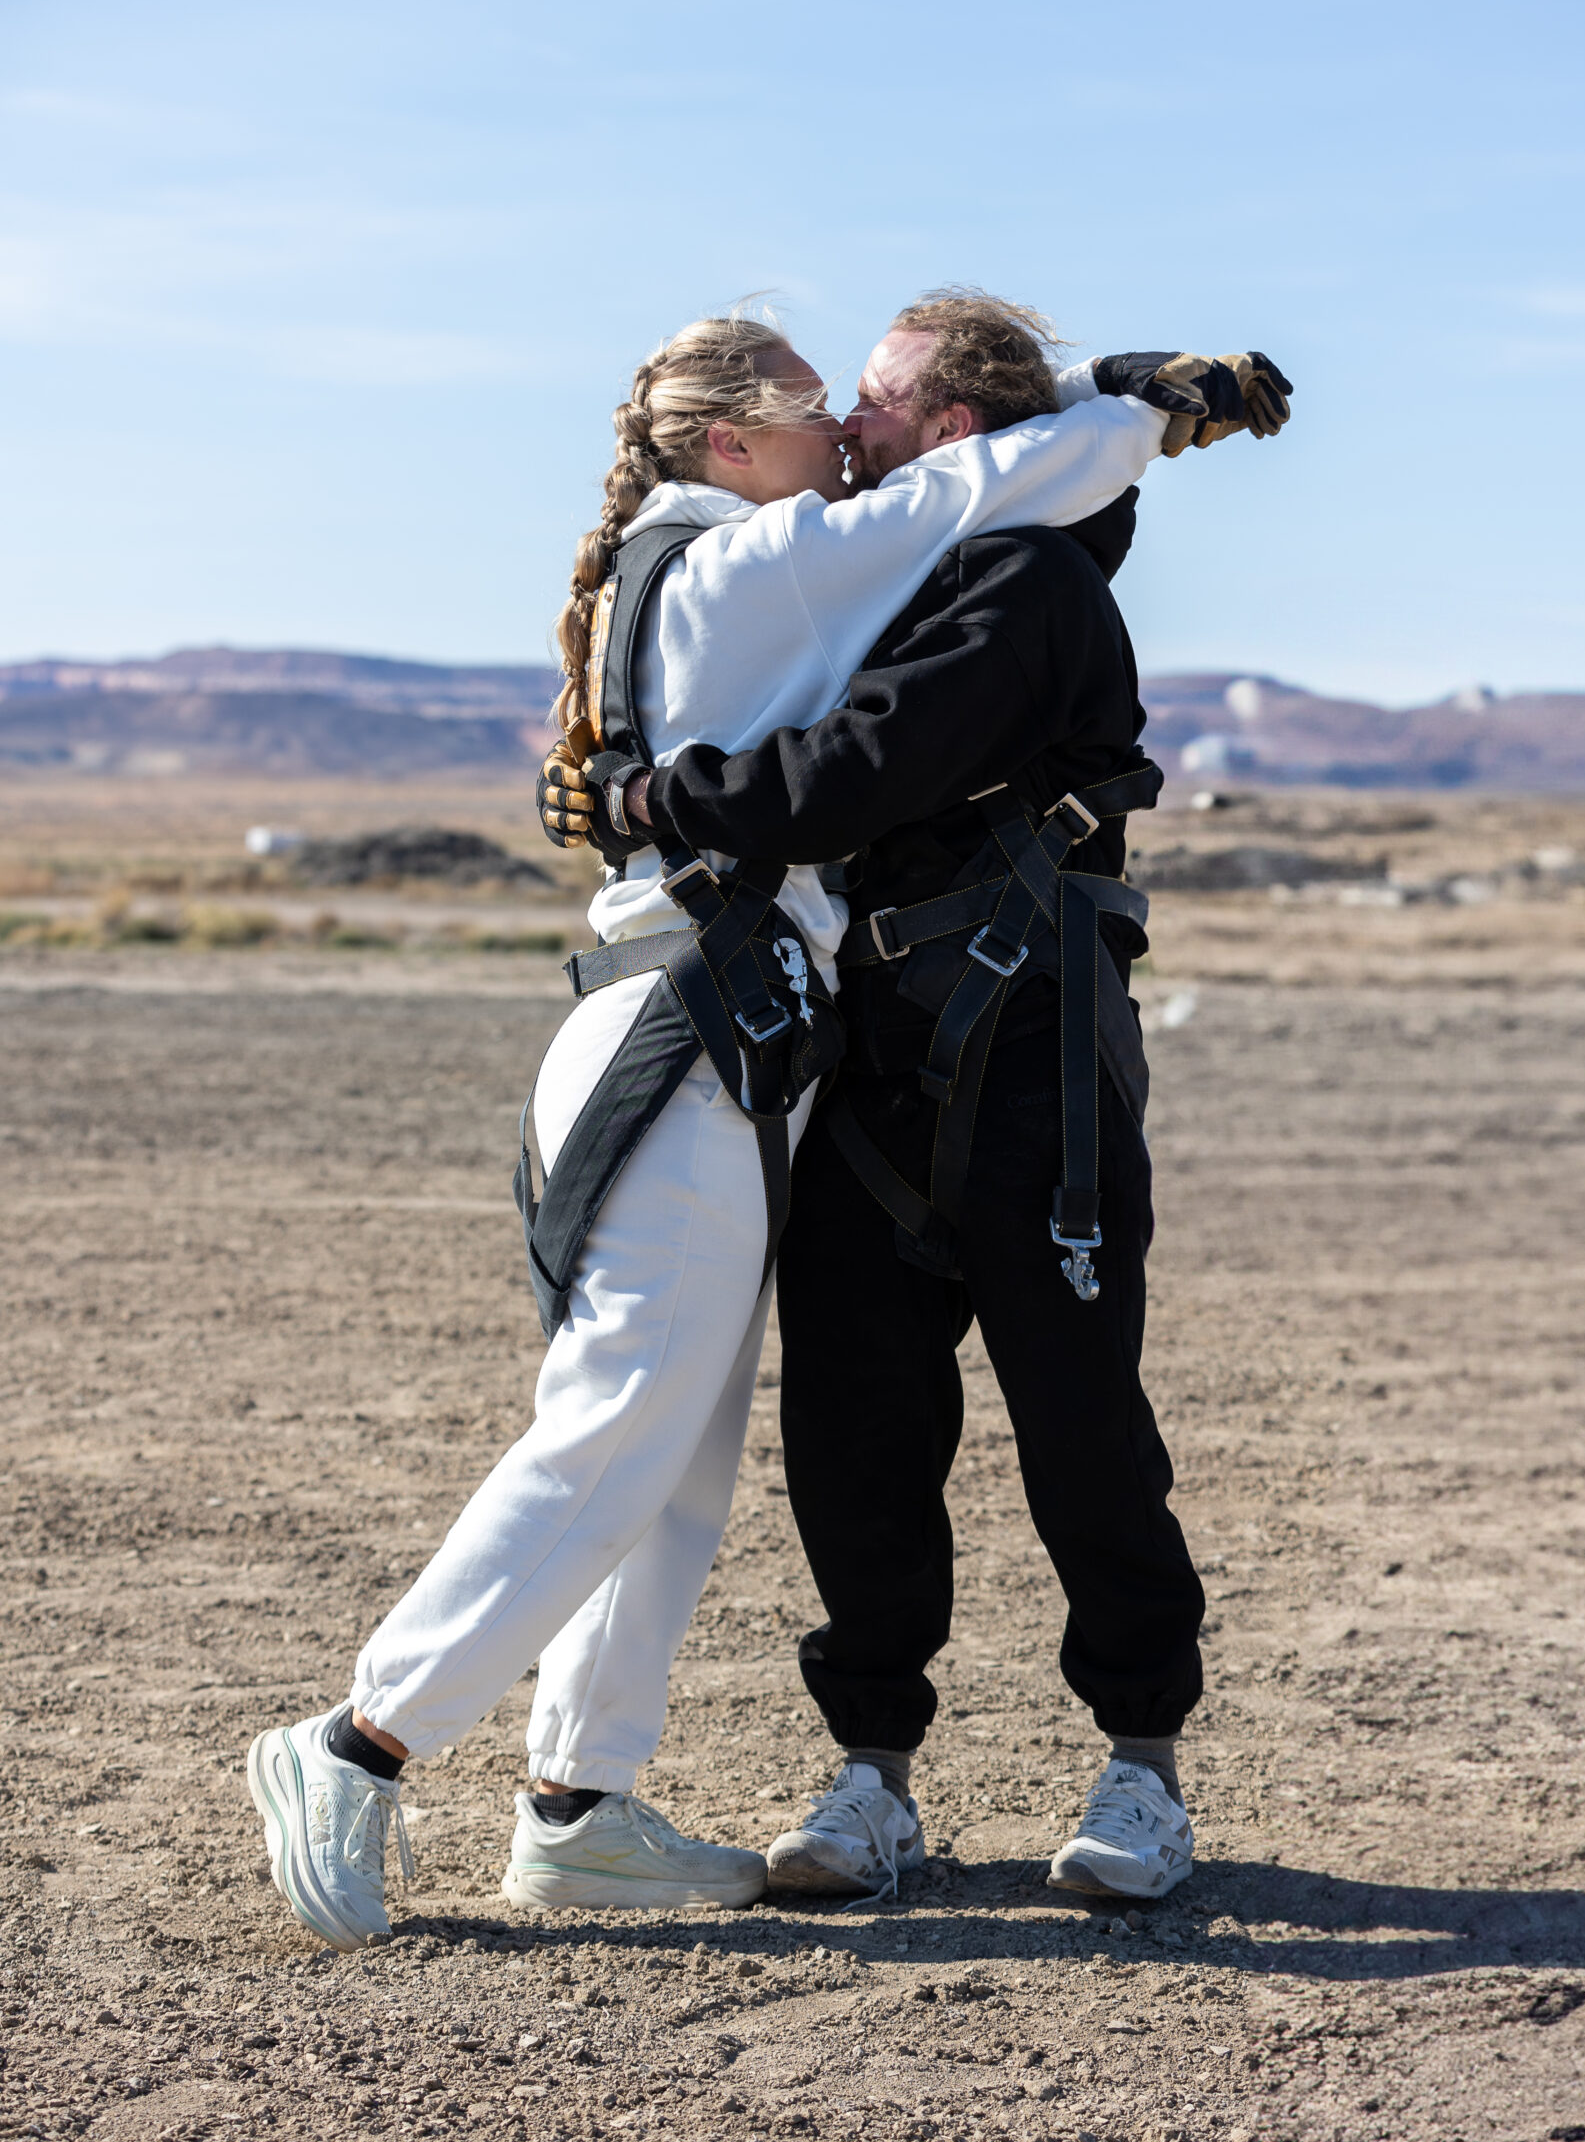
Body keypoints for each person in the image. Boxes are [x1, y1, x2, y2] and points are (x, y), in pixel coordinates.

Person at [247, 300, 1197, 1951]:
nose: (847, 439)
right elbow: (943, 576)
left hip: (775, 1036)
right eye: (827, 410)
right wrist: (1132, 400)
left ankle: (580, 1806)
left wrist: (1106, 405)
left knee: (685, 1454)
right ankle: (360, 1741)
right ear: (734, 443)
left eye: (873, 404)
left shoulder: (804, 563)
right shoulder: (754, 563)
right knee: (649, 1424)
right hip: (697, 1031)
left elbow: (1020, 537)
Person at [558, 294, 1293, 1904]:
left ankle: (1142, 1772)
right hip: (873, 1060)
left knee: (1080, 1417)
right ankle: (869, 1773)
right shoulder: (887, 569)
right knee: (856, 1422)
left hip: (1036, 1059)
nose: (850, 437)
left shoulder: (1020, 586)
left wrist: (642, 795)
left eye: (876, 406)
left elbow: (857, 771)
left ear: (953, 434)